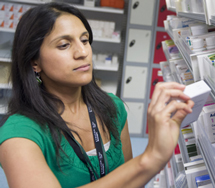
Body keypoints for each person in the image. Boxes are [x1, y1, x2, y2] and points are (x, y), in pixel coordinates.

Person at [0, 2, 194, 188]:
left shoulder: (112, 107)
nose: (82, 52)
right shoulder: (20, 133)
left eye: (84, 40)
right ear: (35, 62)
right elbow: (138, 169)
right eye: (64, 45)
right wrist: (149, 159)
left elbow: (132, 183)